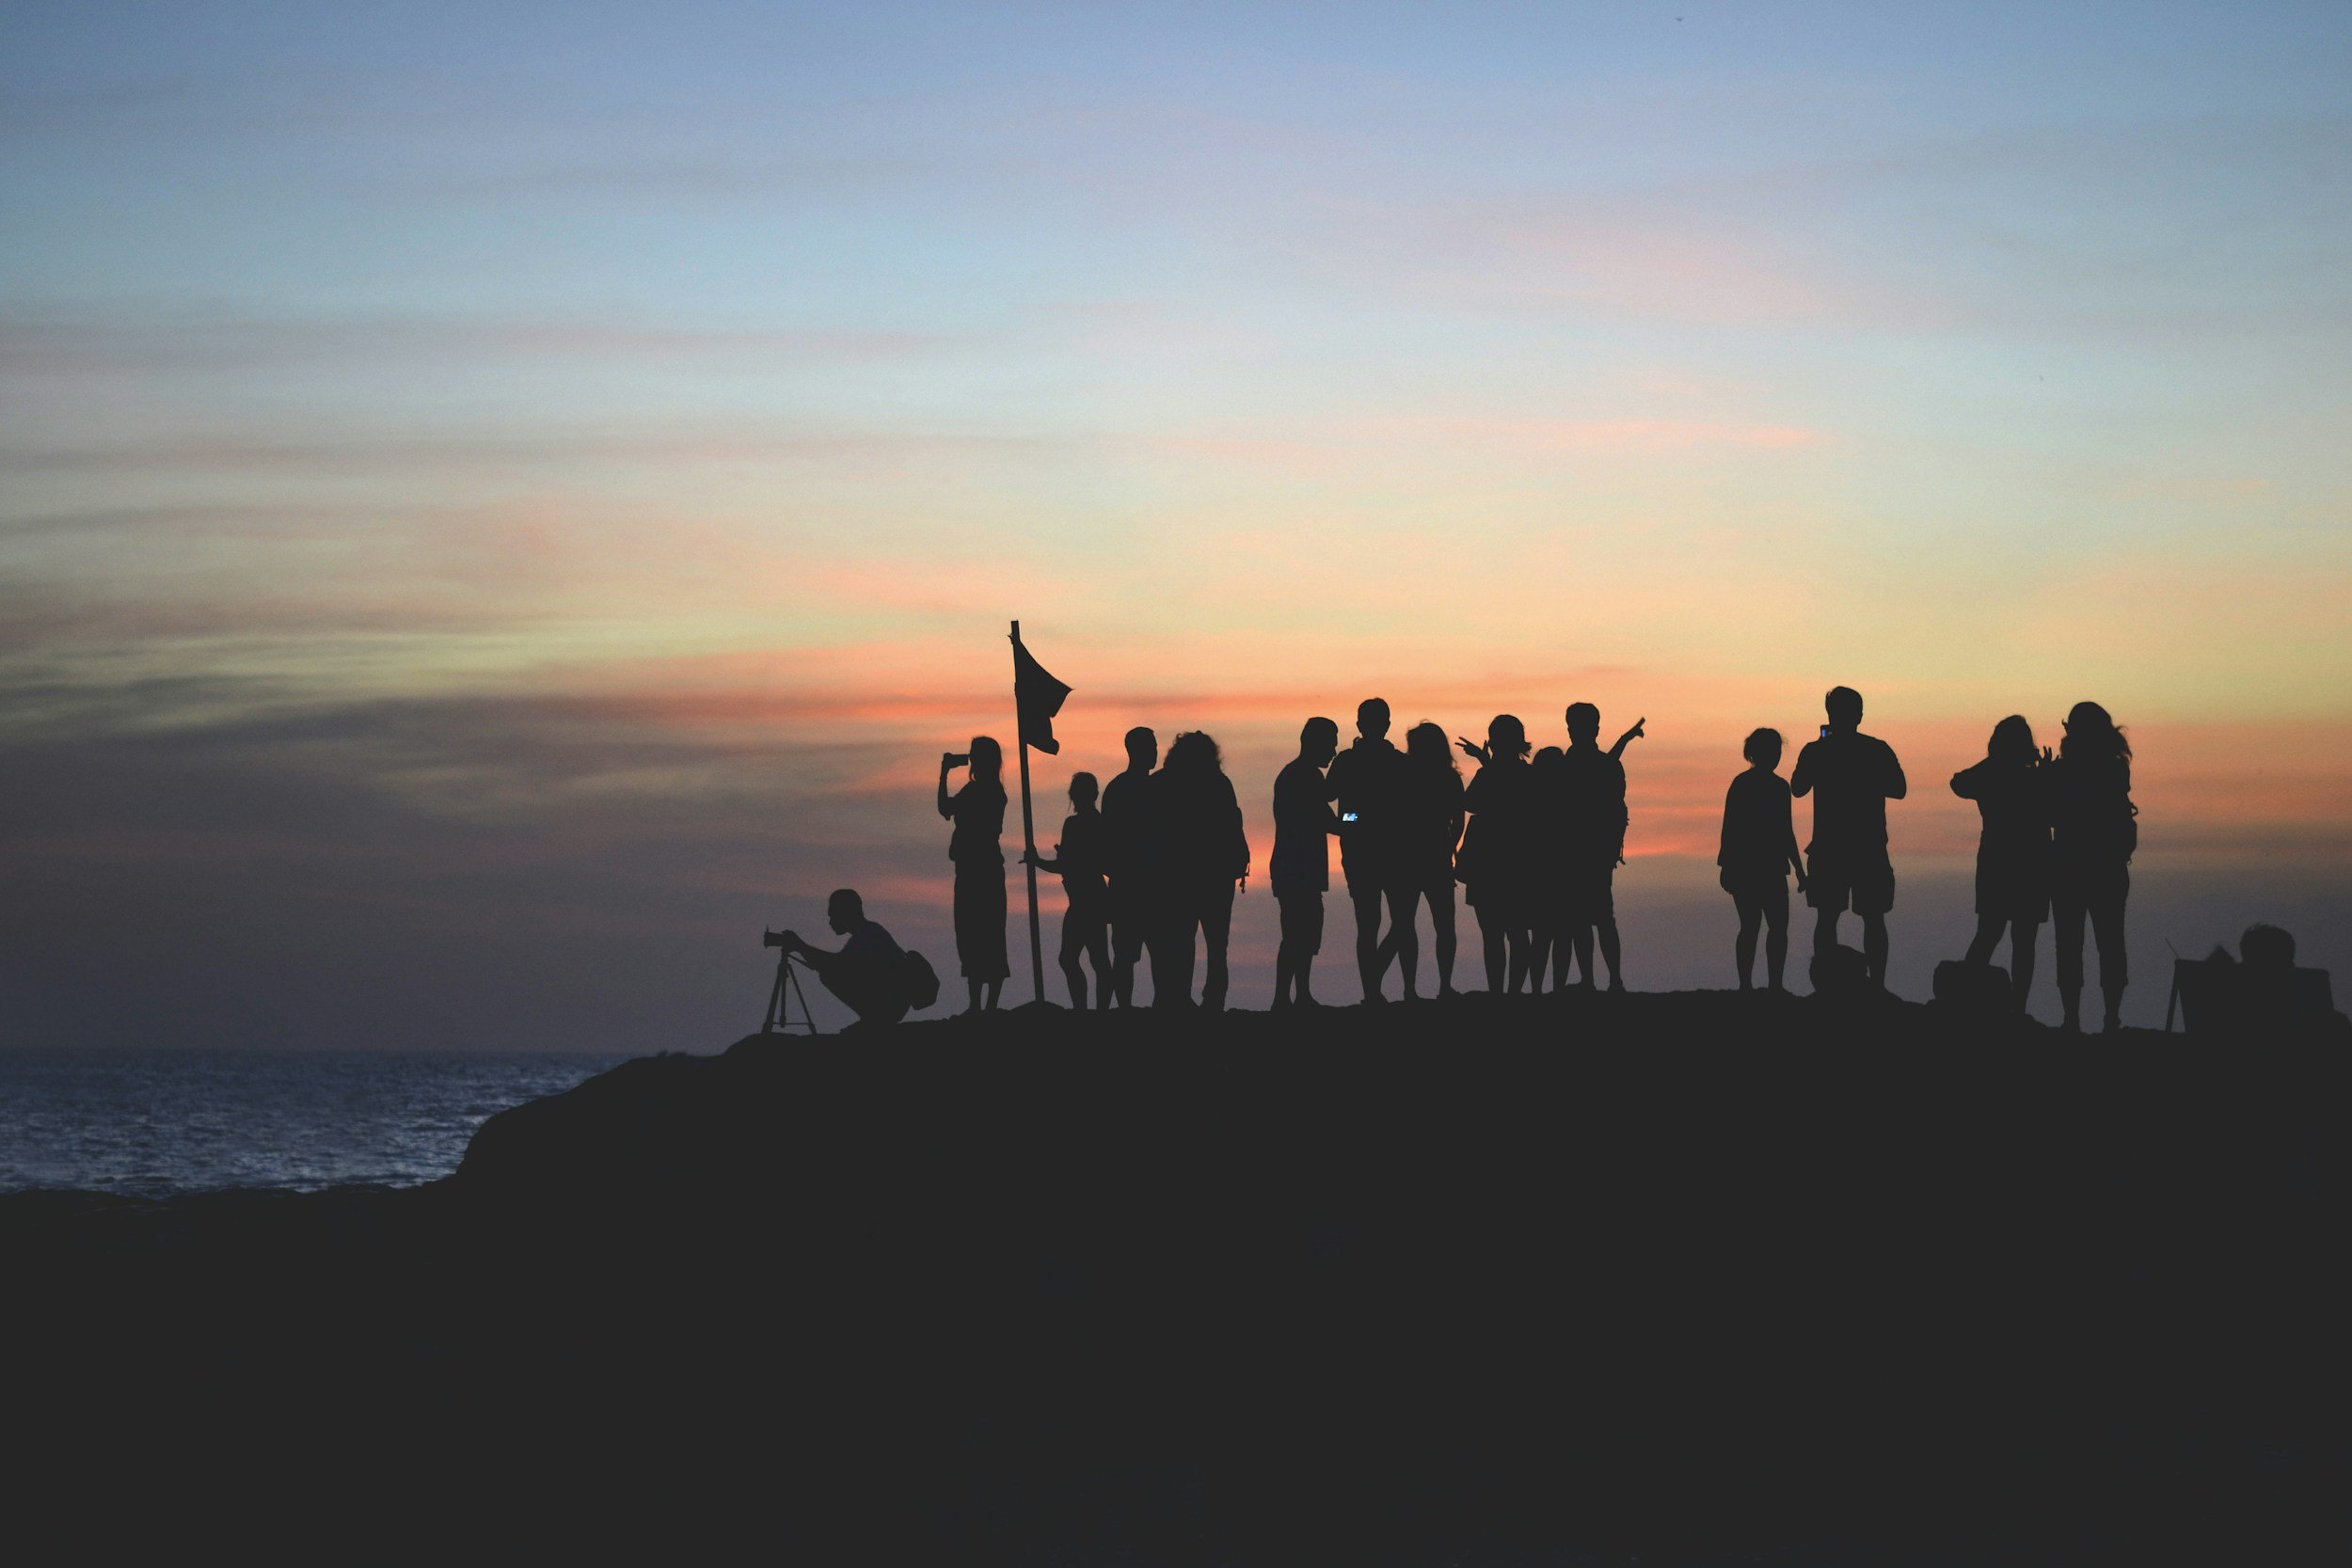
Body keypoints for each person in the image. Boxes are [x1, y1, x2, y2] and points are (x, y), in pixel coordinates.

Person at [1791, 687, 1907, 988]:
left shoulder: (1816, 750)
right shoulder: (1877, 749)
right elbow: (1899, 788)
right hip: (1868, 846)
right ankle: (1877, 985)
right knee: (1872, 918)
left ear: (1830, 714)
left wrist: (1822, 751)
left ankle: (1826, 985)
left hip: (1830, 848)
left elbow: (1797, 787)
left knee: (1827, 917)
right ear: (1859, 715)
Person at [1949, 715, 2050, 1010]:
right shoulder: (2035, 778)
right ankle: (2016, 1007)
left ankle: (1965, 1000)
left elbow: (1959, 782)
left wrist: (1995, 761)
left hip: (1998, 861)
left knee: (1990, 933)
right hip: (2031, 863)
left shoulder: (1991, 775)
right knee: (2023, 940)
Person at [2048, 700, 2135, 1032]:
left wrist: (2046, 775)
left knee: (2069, 945)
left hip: (2069, 866)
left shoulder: (2062, 771)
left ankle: (2071, 1019)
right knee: (2111, 943)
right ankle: (2111, 1019)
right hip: (2108, 867)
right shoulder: (2116, 769)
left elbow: (2051, 814)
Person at [1154, 731, 1250, 1010]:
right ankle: (1212, 999)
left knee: (1183, 940)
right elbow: (1233, 825)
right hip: (1214, 874)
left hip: (1179, 875)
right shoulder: (1219, 783)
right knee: (1217, 944)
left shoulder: (1163, 783)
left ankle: (1183, 997)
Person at [1326, 698, 1411, 1003]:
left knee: (1390, 923)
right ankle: (1372, 991)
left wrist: (1355, 819)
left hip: (1385, 852)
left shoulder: (1394, 762)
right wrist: (1357, 819)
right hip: (1373, 852)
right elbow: (1330, 799)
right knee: (1375, 923)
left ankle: (1373, 982)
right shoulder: (1355, 761)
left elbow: (1332, 800)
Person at [1557, 704, 1640, 991]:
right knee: (1599, 918)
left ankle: (1597, 981)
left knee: (1588, 919)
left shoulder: (1567, 767)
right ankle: (1606, 980)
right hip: (1594, 853)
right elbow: (1617, 808)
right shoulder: (1607, 766)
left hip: (1578, 854)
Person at [1717, 728, 1807, 991]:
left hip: (1768, 868)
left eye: (1778, 751)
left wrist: (1799, 871)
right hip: (1753, 868)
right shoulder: (1749, 785)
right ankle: (1753, 985)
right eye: (1772, 751)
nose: (1776, 756)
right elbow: (1731, 828)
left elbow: (1785, 831)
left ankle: (1770, 985)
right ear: (1756, 754)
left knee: (1769, 928)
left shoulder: (1776, 787)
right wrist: (1727, 867)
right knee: (1757, 927)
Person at [1380, 721, 1465, 998]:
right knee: (1442, 925)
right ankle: (1442, 987)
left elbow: (1388, 815)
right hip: (1433, 857)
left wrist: (1351, 820)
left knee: (1404, 926)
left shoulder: (1399, 775)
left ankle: (1406, 988)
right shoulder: (1449, 778)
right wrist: (1448, 847)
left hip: (1404, 858)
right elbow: (1459, 822)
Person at [1457, 714, 1536, 994]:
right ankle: (1512, 991)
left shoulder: (1490, 773)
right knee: (1516, 932)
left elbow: (1470, 803)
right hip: (1518, 863)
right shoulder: (1529, 775)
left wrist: (1484, 762)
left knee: (1494, 934)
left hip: (1488, 862)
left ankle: (1498, 993)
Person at [1022, 772, 1111, 1010]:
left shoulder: (1076, 825)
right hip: (1089, 896)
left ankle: (1087, 1009)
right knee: (1090, 959)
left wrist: (1038, 861)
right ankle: (1092, 1008)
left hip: (1086, 898)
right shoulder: (1098, 822)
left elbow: (1068, 864)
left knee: (1081, 959)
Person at [1271, 718, 1342, 1008]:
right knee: (1299, 933)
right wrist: (1360, 818)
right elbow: (1329, 819)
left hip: (1293, 866)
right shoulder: (1305, 776)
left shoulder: (1294, 774)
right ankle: (1288, 998)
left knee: (1300, 932)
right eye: (1331, 743)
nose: (1334, 751)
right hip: (1298, 867)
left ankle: (1296, 996)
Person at [937, 736, 1009, 1013]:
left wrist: (943, 774)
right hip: (972, 870)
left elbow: (946, 809)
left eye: (974, 755)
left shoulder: (986, 791)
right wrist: (944, 774)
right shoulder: (978, 790)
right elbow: (946, 809)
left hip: (982, 870)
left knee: (984, 934)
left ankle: (985, 1005)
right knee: (973, 935)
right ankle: (979, 1005)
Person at [774, 890, 910, 1029]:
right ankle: (872, 1018)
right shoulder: (868, 932)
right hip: (892, 999)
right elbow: (839, 964)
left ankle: (875, 1019)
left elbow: (838, 966)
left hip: (891, 1002)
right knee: (829, 972)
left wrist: (800, 946)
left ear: (846, 912)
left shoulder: (869, 935)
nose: (830, 922)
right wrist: (801, 947)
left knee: (829, 974)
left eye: (833, 915)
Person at [1100, 726, 1159, 1007]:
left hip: (1137, 881)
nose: (1155, 752)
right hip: (1134, 882)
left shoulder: (1117, 788)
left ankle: (1131, 1006)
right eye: (1152, 747)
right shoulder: (1140, 789)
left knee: (1146, 952)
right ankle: (1125, 1006)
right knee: (1129, 954)